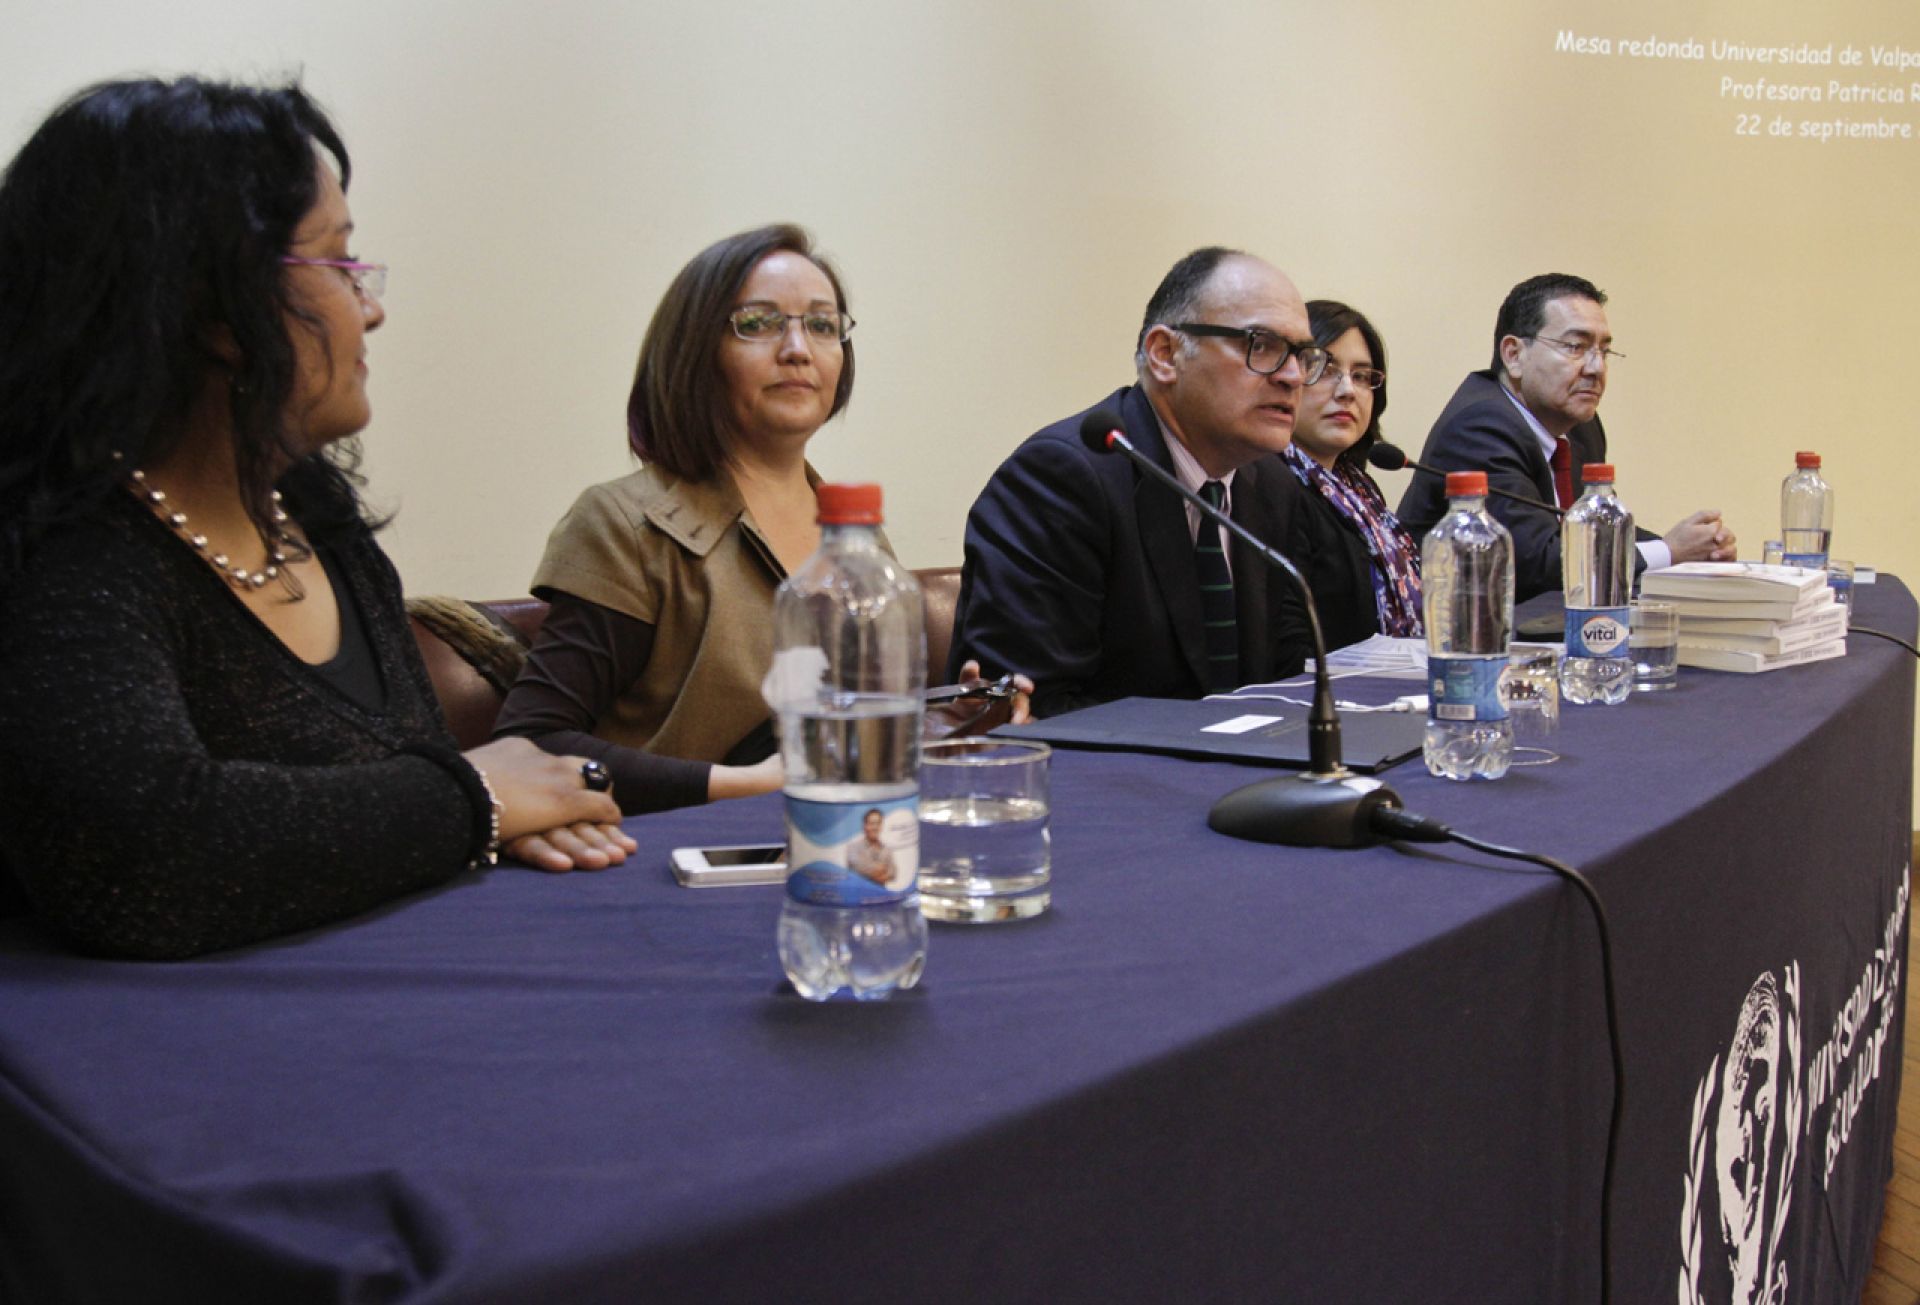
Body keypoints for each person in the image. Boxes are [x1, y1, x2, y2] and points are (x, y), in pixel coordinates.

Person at [0, 78, 632, 960]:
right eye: (338, 265)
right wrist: (472, 801)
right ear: (216, 306)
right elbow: (143, 860)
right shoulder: (63, 552)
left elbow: (393, 793)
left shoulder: (313, 508)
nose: (371, 306)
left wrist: (471, 816)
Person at [495, 226, 1023, 809]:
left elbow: (841, 741)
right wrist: (741, 785)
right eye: (758, 323)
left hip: (847, 834)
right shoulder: (625, 523)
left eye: (821, 325)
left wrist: (948, 721)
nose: (798, 349)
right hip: (683, 842)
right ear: (697, 350)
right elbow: (530, 745)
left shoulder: (856, 534)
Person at [949, 247, 1314, 717]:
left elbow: (1283, 675)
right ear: (1165, 354)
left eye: (1303, 355)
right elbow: (1033, 706)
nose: (1293, 376)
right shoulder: (1060, 479)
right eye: (1261, 345)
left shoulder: (1272, 486)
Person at [1395, 273, 1735, 602]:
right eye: (1576, 347)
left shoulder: (1580, 427)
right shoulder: (1480, 427)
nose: (1596, 368)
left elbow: (1598, 534)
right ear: (1514, 354)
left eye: (1604, 351)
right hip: (1468, 629)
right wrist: (1668, 551)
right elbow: (1535, 563)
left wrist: (1694, 548)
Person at [1280, 300, 1421, 650]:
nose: (1347, 391)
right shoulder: (1271, 487)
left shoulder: (1357, 487)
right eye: (1325, 370)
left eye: (1361, 376)